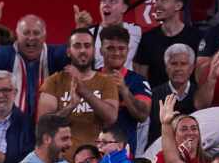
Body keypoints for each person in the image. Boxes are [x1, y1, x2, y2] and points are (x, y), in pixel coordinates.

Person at [36, 28, 117, 151]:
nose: (83, 50)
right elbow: (43, 127)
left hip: (96, 160)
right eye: (77, 46)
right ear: (68, 51)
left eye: (87, 46)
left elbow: (111, 117)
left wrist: (84, 91)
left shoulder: (106, 81)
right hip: (61, 162)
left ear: (94, 51)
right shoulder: (53, 82)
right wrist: (71, 106)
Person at [0, 10, 68, 123]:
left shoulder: (54, 54)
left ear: (44, 35)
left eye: (36, 33)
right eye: (26, 33)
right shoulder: (9, 54)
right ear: (17, 34)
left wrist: (82, 28)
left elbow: (77, 53)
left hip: (48, 126)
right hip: (15, 125)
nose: (31, 38)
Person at [133, 0, 202, 90]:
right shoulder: (148, 38)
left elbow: (201, 76)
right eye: (156, 0)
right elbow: (141, 77)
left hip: (190, 102)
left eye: (163, 0)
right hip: (157, 102)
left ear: (178, 6)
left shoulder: (196, 37)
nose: (156, 5)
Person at [98, 25, 151, 153]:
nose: (116, 53)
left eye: (121, 48)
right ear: (101, 51)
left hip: (124, 157)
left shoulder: (138, 81)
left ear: (128, 51)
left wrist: (124, 90)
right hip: (93, 154)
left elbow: (143, 115)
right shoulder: (90, 79)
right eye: (110, 48)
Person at [147, 43, 196, 150]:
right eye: (174, 64)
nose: (178, 68)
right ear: (166, 68)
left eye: (183, 64)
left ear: (191, 68)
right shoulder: (153, 95)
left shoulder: (199, 95)